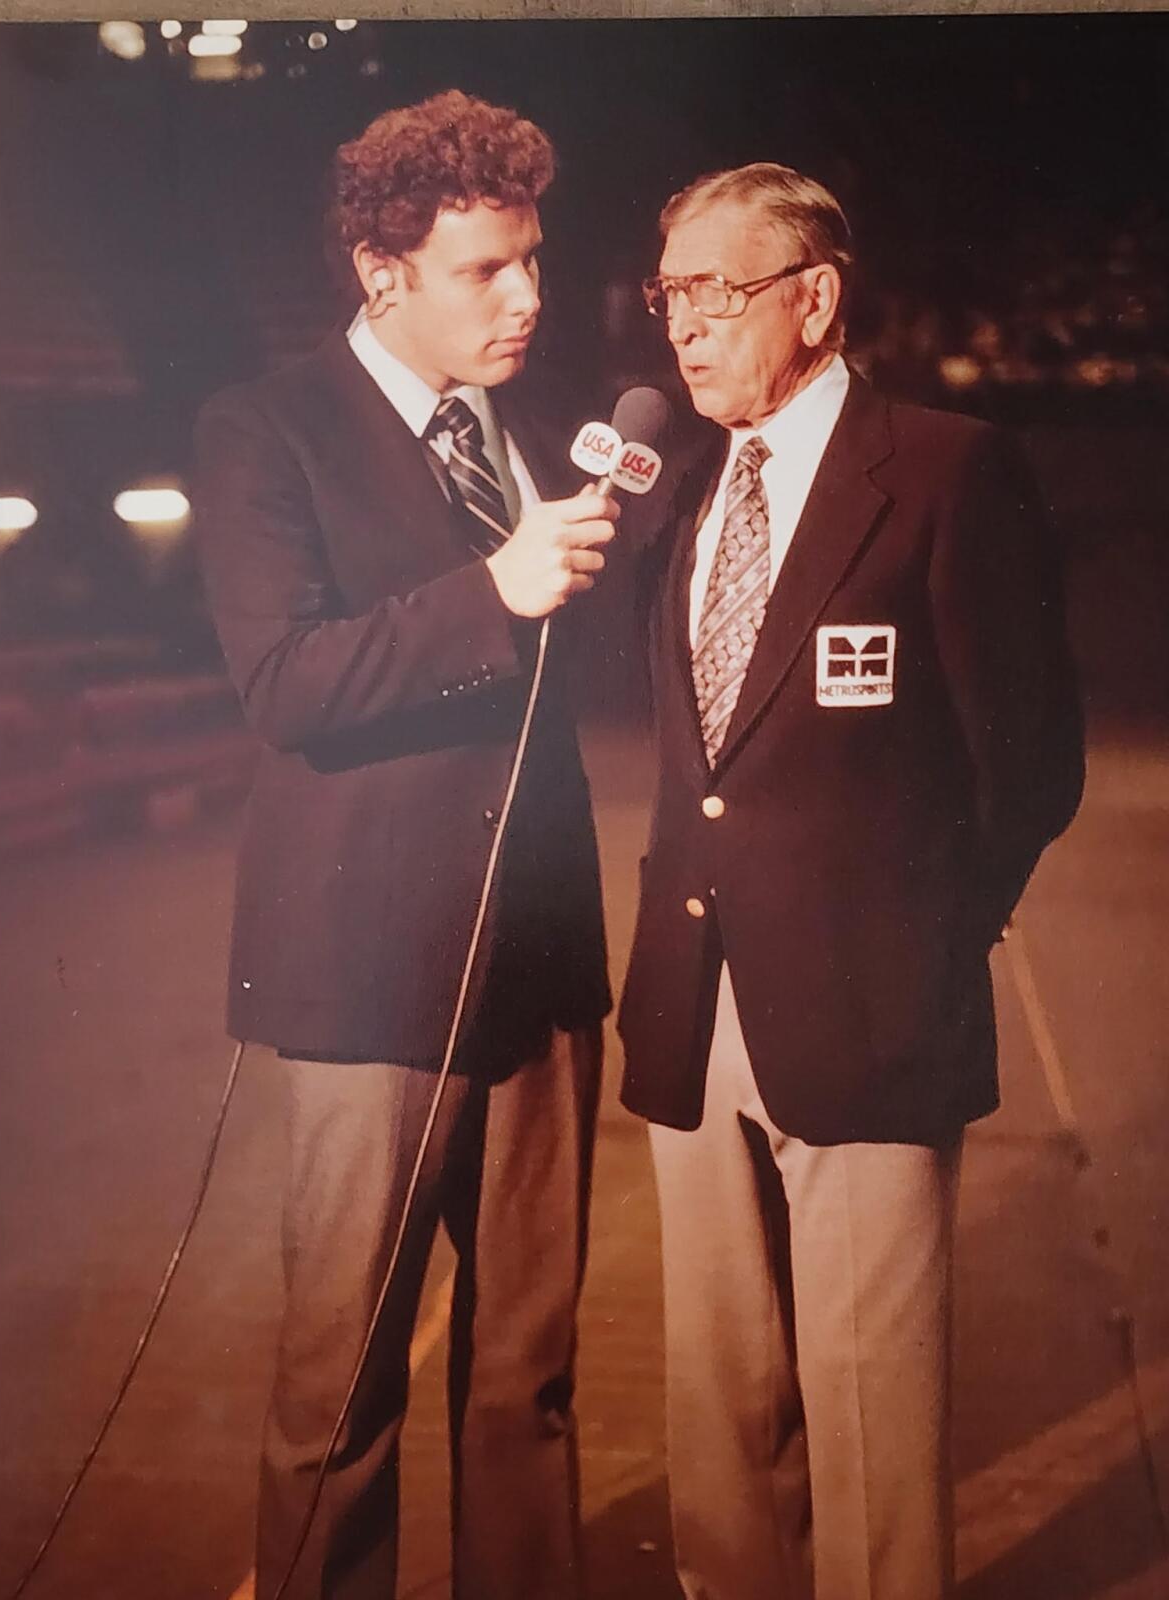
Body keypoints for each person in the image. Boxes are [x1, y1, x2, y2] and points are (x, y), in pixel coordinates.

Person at [618, 162, 1084, 1600]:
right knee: (719, 1408)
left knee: (873, 1414)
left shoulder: (944, 469)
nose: (685, 326)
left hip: (874, 1015)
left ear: (814, 298)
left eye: (719, 290)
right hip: (694, 1003)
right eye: (670, 294)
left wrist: (919, 944)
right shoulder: (683, 487)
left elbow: (1031, 764)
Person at [193, 90, 618, 1600]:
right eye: (484, 270)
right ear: (383, 273)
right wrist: (491, 591)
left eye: (533, 259)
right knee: (341, 1396)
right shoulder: (265, 429)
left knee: (528, 1379)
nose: (527, 296)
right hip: (369, 980)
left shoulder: (525, 418)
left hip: (540, 968)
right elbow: (284, 682)